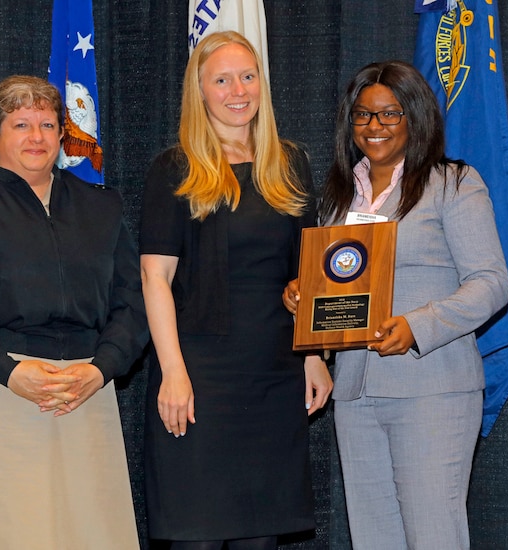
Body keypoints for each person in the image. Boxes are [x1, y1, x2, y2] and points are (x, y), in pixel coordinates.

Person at [0, 75, 149, 548]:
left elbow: (133, 303)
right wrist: (10, 372)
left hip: (84, 393)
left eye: (47, 124)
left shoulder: (101, 206)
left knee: (88, 533)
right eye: (20, 124)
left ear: (63, 135)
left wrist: (101, 369)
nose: (36, 137)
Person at [284, 60, 508, 549]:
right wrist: (304, 296)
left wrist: (418, 325)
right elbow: (335, 282)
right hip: (355, 394)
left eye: (389, 114)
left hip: (433, 388)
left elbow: (492, 282)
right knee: (373, 539)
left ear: (416, 117)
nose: (374, 127)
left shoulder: (453, 183)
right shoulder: (338, 196)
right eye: (362, 116)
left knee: (433, 535)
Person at [138, 31, 333, 550]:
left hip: (274, 375)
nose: (237, 90)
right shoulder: (174, 168)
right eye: (221, 79)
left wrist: (315, 356)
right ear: (199, 90)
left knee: (259, 540)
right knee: (197, 538)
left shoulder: (289, 165)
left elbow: (308, 271)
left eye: (248, 76)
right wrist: (173, 373)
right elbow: (154, 278)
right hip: (199, 378)